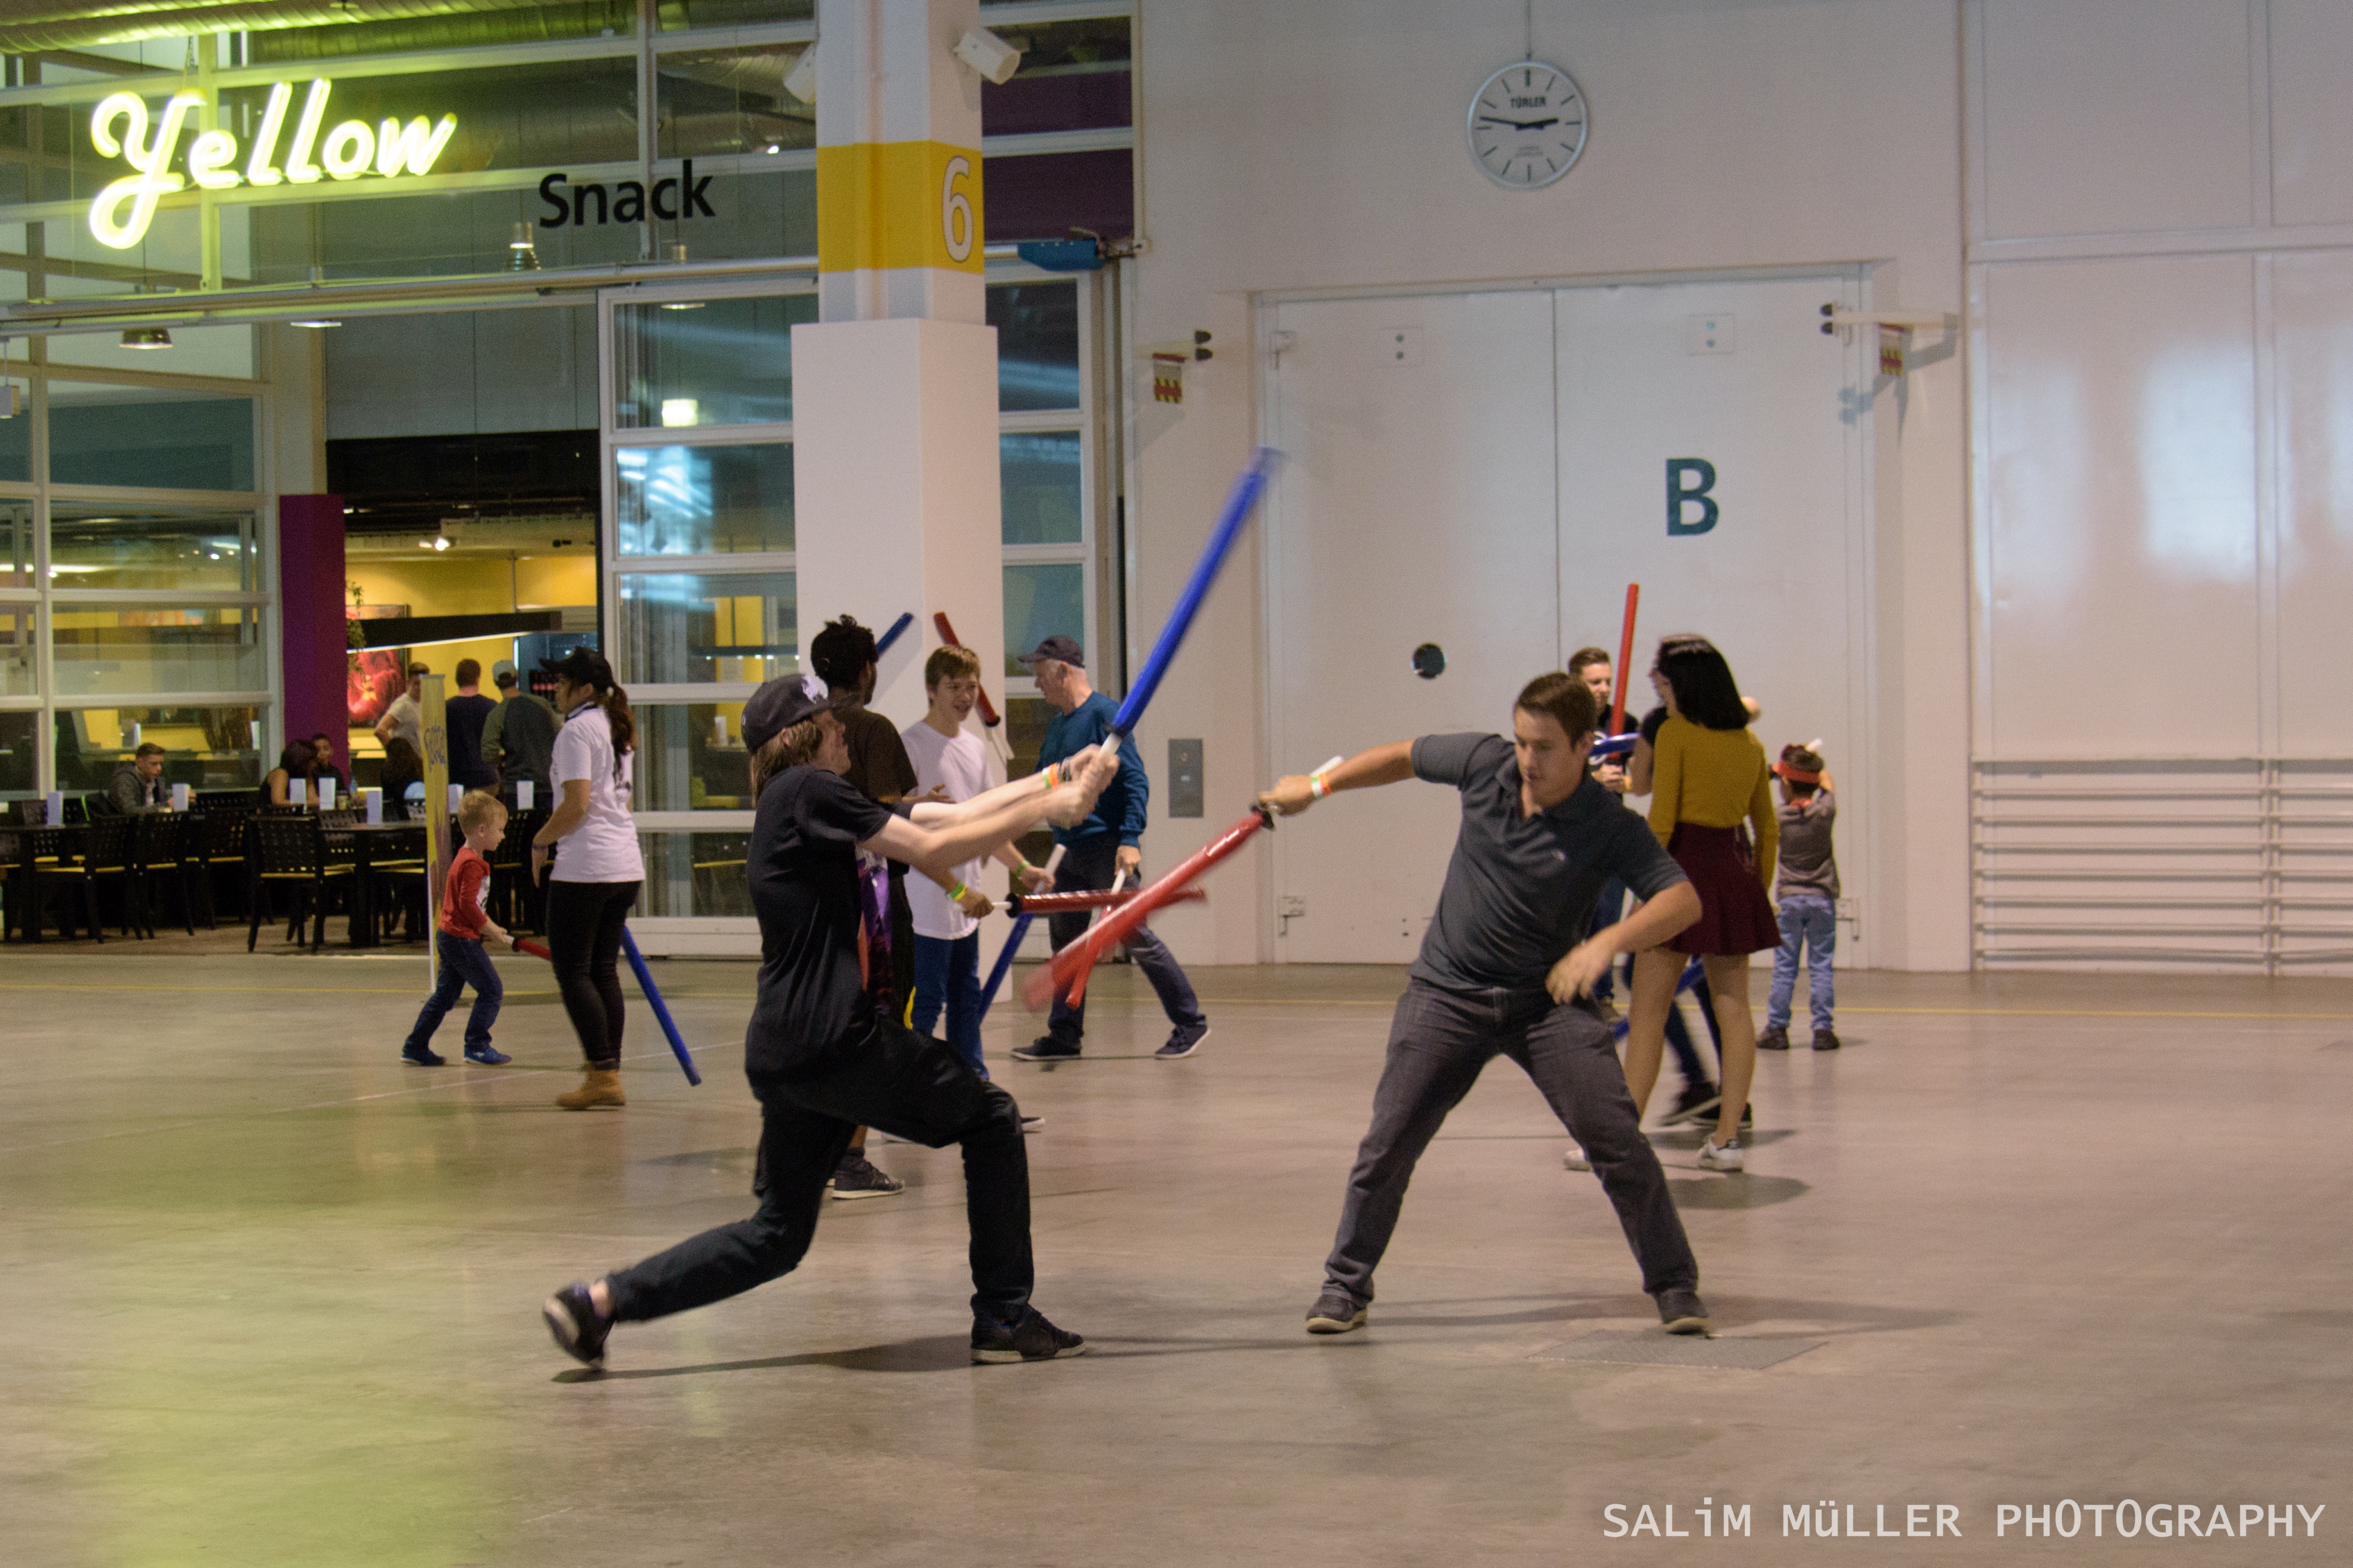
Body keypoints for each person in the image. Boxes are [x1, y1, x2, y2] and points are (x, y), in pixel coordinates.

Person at [539, 672, 1121, 1370]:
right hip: (837, 1038)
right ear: (798, 737)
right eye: (829, 720)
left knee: (778, 1235)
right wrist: (1057, 807)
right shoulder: (806, 789)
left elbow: (946, 819)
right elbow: (932, 850)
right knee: (992, 1119)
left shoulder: (803, 798)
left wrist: (1056, 778)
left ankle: (599, 1302)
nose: (844, 728)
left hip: (789, 1048)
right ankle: (1003, 1313)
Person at [1258, 672, 1710, 1337]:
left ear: (1584, 745)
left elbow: (1682, 899)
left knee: (1617, 1143)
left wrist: (1605, 944)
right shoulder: (1484, 761)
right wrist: (1318, 786)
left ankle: (1674, 1286)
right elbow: (1403, 756)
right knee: (1388, 1145)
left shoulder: (1609, 825)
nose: (1527, 758)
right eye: (1522, 740)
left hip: (1546, 1004)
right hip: (1447, 992)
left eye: (1545, 746)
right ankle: (1343, 1285)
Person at [1009, 635, 1209, 1062]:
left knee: (1134, 934)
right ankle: (1064, 1036)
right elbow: (1043, 781)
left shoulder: (1104, 714)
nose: (1037, 684)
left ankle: (1190, 1022)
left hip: (1105, 848)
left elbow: (1134, 779)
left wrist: (1130, 838)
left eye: (1041, 674)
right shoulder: (1058, 726)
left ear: (1063, 671)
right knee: (1066, 946)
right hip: (1067, 850)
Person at [1624, 635, 1778, 1173]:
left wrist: (1645, 894)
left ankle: (1621, 1140)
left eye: (1663, 681)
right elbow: (1768, 828)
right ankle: (1727, 1141)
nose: (1659, 690)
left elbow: (1662, 821)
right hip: (1734, 873)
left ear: (1684, 685)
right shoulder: (1749, 744)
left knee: (1647, 1012)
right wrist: (1757, 891)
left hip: (1679, 873)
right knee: (1734, 1009)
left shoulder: (1675, 735)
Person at [804, 616, 924, 1198]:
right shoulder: (873, 730)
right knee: (873, 1024)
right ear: (869, 669)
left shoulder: (800, 730)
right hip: (871, 904)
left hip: (816, 901)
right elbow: (887, 822)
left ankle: (819, 1150)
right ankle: (850, 1158)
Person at [901, 645, 1055, 1079]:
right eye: (955, 687)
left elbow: (987, 826)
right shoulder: (911, 745)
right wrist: (956, 888)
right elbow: (901, 833)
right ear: (931, 690)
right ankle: (909, 1094)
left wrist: (1022, 869)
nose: (965, 697)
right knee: (925, 1006)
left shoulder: (973, 747)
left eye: (971, 687)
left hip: (966, 909)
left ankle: (974, 1089)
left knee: (966, 1001)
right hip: (926, 908)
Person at [531, 648, 646, 1112]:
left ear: (584, 690)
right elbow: (623, 802)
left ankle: (602, 1071)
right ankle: (607, 1069)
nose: (556, 690)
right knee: (601, 969)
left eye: (562, 683)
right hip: (624, 864)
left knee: (574, 970)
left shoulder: (576, 732)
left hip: (586, 868)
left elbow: (576, 804)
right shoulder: (617, 728)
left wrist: (540, 841)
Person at [399, 789, 514, 1067]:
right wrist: (490, 928)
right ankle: (476, 1045)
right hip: (461, 939)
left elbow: (468, 903)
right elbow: (467, 904)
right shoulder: (473, 864)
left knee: (445, 995)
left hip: (450, 936)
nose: (503, 836)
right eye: (499, 830)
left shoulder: (465, 857)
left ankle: (415, 1046)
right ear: (482, 830)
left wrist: (486, 926)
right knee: (492, 990)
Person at [1762, 744, 1840, 1052]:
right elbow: (1827, 781)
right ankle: (1823, 1030)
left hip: (1790, 899)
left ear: (1786, 783)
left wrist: (1772, 772)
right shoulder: (1825, 812)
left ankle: (1777, 1028)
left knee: (1785, 967)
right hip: (1822, 899)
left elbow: (1761, 788)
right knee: (1821, 966)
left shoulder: (1778, 817)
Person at [482, 659, 559, 803]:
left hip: (516, 787)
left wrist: (503, 761)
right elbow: (560, 735)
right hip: (548, 782)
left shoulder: (496, 714)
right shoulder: (542, 704)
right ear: (517, 677)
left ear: (495, 682)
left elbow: (488, 753)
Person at [444, 658, 499, 791]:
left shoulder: (446, 708)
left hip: (458, 781)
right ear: (477, 679)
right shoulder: (491, 706)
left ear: (457, 679)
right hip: (488, 778)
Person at [374, 662, 428, 753]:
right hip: (406, 761)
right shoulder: (403, 705)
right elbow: (380, 730)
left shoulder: (422, 704)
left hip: (419, 760)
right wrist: (396, 755)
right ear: (408, 683)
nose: (420, 687)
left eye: (424, 683)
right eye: (416, 683)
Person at [108, 742, 168, 814]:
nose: (159, 768)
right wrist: (165, 806)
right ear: (140, 763)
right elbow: (130, 812)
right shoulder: (125, 780)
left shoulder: (158, 781)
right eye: (154, 764)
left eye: (161, 764)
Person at [265, 740, 323, 807]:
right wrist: (310, 803)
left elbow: (313, 799)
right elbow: (278, 802)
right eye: (314, 761)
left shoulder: (307, 774)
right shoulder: (281, 773)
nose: (315, 765)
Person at [378, 736, 425, 810]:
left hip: (398, 810)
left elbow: (387, 797)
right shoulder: (418, 766)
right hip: (420, 804)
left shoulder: (388, 771)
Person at [308, 733, 348, 797]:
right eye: (318, 750)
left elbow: (343, 792)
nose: (322, 753)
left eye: (326, 749)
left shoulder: (336, 772)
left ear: (331, 751)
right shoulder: (310, 772)